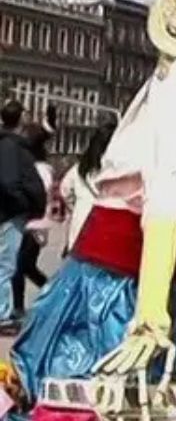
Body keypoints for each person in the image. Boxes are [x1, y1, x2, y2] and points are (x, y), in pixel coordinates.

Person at [0, 101, 44, 335]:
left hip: (9, 210)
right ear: (20, 119)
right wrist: (22, 203)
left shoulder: (11, 145)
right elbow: (9, 181)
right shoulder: (11, 147)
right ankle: (2, 313)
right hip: (10, 213)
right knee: (6, 264)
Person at [14, 124, 53, 319]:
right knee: (25, 266)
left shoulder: (39, 169)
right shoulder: (38, 168)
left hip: (34, 223)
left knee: (21, 266)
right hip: (32, 222)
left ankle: (20, 308)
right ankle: (50, 293)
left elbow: (40, 195)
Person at [59, 122, 117, 256]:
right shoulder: (116, 169)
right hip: (105, 230)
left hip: (80, 225)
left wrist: (74, 206)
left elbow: (65, 189)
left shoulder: (80, 168)